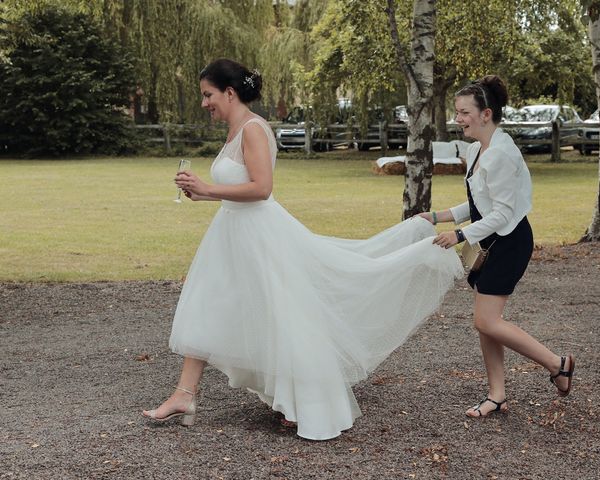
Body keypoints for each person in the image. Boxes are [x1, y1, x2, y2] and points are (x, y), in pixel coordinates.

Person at [142, 58, 463, 440]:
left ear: (229, 93)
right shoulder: (235, 131)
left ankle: (304, 401)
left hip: (259, 237)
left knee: (281, 315)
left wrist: (209, 188)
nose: (204, 103)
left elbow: (262, 188)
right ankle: (185, 394)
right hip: (232, 233)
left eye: (207, 95)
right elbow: (240, 190)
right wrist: (204, 196)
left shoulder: (253, 130)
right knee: (211, 304)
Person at [420, 76, 575, 418]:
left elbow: (504, 214)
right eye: (457, 112)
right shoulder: (478, 150)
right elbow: (480, 203)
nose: (458, 118)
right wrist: (438, 216)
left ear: (485, 113)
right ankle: (497, 395)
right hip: (491, 239)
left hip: (509, 242)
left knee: (487, 321)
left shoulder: (501, 154)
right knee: (485, 321)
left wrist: (460, 235)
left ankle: (557, 363)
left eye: (463, 112)